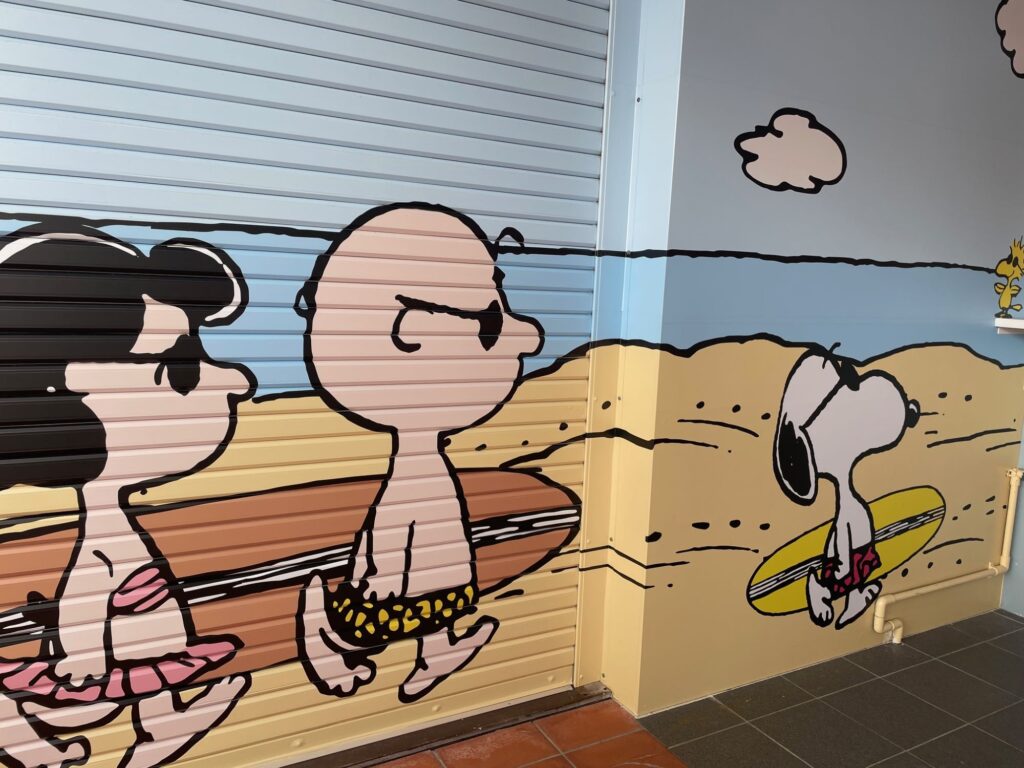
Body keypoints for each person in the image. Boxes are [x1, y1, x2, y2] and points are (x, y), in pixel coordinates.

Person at [0, 225, 255, 768]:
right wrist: (85, 659)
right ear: (70, 390)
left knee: (132, 681)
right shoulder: (101, 534)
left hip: (141, 632)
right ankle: (33, 732)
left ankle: (159, 720)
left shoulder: (112, 522)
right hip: (110, 645)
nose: (238, 382)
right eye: (177, 366)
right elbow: (87, 589)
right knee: (86, 703)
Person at [295, 203, 542, 702]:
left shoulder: (422, 466)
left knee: (432, 587)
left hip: (432, 573)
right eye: (491, 321)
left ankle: (435, 649)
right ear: (412, 331)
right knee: (391, 604)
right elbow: (394, 529)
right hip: (393, 583)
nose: (528, 339)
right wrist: (378, 577)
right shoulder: (416, 472)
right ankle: (335, 642)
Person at [774, 347, 919, 629]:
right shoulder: (822, 411)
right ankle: (826, 590)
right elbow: (843, 531)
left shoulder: (841, 476)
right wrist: (841, 561)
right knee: (849, 522)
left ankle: (851, 593)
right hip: (845, 546)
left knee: (851, 519)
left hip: (849, 533)